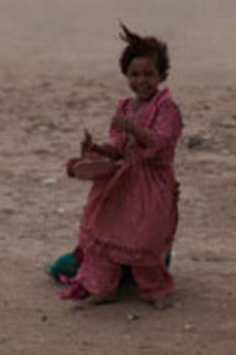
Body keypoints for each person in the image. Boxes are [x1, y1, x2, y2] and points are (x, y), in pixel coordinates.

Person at [57, 23, 183, 309]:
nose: (142, 81)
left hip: (151, 184)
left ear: (161, 75)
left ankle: (156, 289)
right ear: (126, 75)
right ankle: (102, 287)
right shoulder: (125, 107)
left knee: (143, 237)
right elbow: (119, 148)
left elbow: (161, 146)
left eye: (149, 74)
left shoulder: (167, 108)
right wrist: (97, 150)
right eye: (135, 74)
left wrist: (133, 129)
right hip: (120, 183)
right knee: (105, 230)